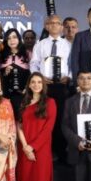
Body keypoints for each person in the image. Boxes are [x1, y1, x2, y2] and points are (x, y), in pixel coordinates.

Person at [29, 14, 73, 162]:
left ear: (61, 27)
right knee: (44, 118)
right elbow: (34, 64)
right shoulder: (40, 44)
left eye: (57, 23)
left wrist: (69, 77)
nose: (54, 25)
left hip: (62, 86)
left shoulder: (68, 44)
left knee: (61, 118)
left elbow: (72, 64)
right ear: (46, 26)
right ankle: (45, 151)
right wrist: (39, 77)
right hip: (45, 86)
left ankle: (61, 152)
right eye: (51, 23)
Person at [17, 72, 60, 181]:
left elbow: (48, 129)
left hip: (41, 150)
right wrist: (25, 147)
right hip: (24, 150)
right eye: (33, 82)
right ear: (29, 85)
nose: (36, 85)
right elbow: (19, 126)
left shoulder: (50, 102)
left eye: (39, 82)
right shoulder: (24, 103)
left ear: (43, 85)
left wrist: (33, 147)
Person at [0, 28, 30, 111]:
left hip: (23, 95)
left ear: (19, 38)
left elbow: (33, 74)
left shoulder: (27, 54)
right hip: (5, 95)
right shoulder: (1, 55)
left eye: (14, 37)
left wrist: (27, 89)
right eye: (9, 38)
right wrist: (5, 72)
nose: (12, 40)